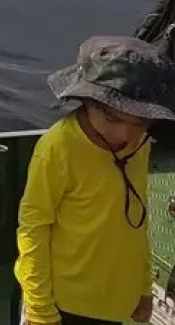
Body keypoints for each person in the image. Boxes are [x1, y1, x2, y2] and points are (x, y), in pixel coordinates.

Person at [14, 35, 175, 325]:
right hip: (62, 304)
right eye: (112, 120)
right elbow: (33, 228)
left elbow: (137, 220)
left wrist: (142, 288)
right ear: (86, 101)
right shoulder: (59, 147)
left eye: (139, 122)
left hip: (117, 304)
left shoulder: (140, 145)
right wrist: (39, 309)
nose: (124, 135)